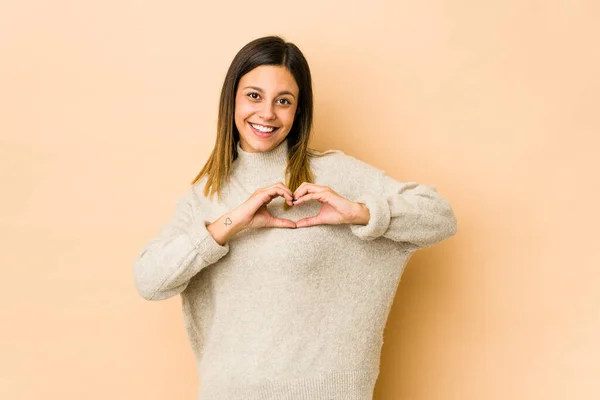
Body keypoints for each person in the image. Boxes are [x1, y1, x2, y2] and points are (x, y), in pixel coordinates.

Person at [133, 35, 457, 400]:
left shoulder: (333, 174)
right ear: (232, 100)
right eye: (254, 96)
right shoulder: (206, 194)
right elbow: (150, 281)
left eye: (283, 101)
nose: (267, 113)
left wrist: (361, 213)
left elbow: (440, 216)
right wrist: (228, 225)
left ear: (298, 110)